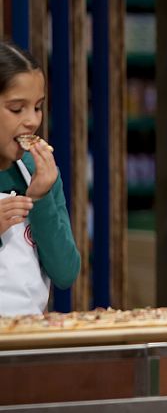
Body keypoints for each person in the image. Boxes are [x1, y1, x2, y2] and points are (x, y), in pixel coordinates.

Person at [0, 40, 79, 316]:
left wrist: (41, 198)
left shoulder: (37, 171)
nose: (32, 121)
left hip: (27, 339)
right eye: (17, 108)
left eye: (38, 107)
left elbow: (65, 273)